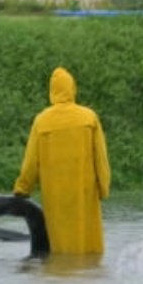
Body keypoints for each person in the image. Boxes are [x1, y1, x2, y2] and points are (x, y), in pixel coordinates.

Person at [13, 66, 112, 255]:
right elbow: (101, 159)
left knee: (60, 249)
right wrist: (103, 189)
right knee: (88, 249)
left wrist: (22, 189)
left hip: (55, 197)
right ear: (72, 88)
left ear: (52, 91)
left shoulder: (41, 121)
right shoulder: (89, 118)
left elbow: (31, 162)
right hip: (85, 195)